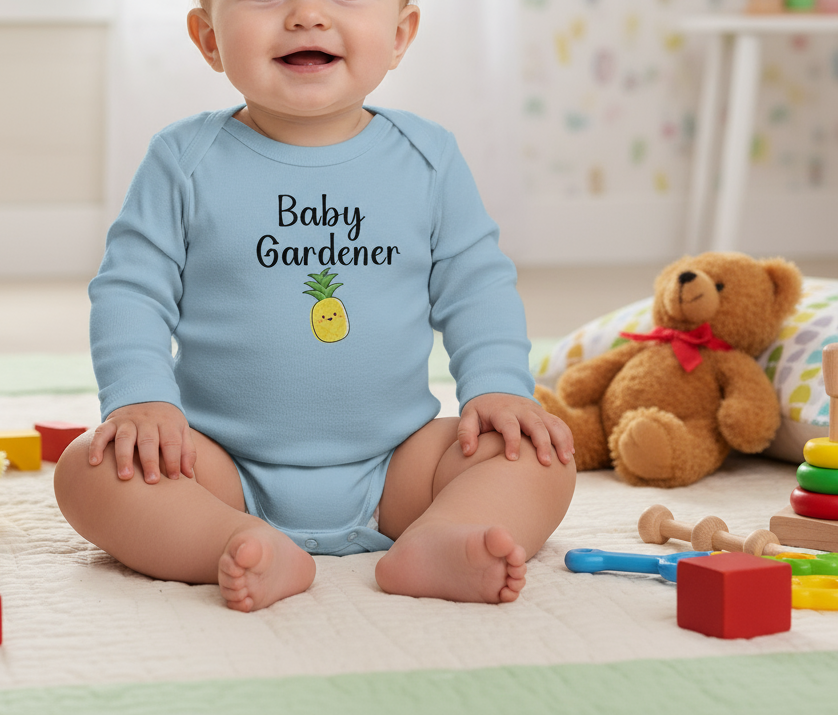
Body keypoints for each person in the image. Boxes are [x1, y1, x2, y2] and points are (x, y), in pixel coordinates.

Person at [54, 0, 576, 612]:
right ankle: (232, 541)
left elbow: (476, 285)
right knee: (87, 471)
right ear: (209, 38)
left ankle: (442, 537)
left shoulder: (428, 157)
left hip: (399, 466)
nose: (307, 15)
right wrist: (140, 398)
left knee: (539, 454)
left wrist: (498, 389)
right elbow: (131, 289)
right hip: (218, 468)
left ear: (400, 33)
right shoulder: (182, 160)